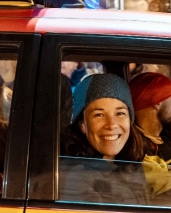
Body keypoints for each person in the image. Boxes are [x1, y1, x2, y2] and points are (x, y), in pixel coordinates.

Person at [60, 73, 147, 203]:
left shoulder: (130, 164)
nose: (111, 125)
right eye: (99, 115)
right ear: (82, 125)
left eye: (120, 113)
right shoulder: (77, 177)